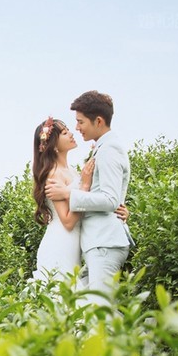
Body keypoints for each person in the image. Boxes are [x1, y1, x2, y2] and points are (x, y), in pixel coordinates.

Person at [43, 90, 134, 303]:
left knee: (99, 308)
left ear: (98, 121)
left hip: (104, 242)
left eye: (80, 122)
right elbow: (110, 197)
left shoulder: (109, 149)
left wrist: (67, 192)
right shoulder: (102, 148)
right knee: (86, 303)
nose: (76, 128)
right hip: (95, 242)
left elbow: (109, 199)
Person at [31, 115, 129, 283]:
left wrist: (118, 210)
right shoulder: (53, 174)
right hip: (61, 242)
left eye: (68, 130)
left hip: (77, 243)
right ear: (53, 145)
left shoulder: (73, 171)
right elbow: (68, 222)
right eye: (64, 133)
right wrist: (83, 187)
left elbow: (93, 198)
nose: (71, 134)